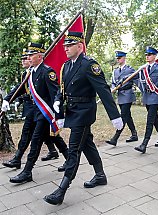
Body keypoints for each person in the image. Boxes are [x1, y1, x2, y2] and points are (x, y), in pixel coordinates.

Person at [43, 31, 123, 205]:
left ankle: (61, 190)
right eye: (65, 45)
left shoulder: (89, 65)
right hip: (73, 111)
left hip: (85, 112)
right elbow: (61, 89)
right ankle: (100, 175)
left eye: (69, 45)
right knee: (87, 143)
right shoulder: (67, 65)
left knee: (74, 149)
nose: (66, 48)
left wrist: (115, 116)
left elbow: (103, 90)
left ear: (80, 46)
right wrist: (57, 102)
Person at [2, 42, 68, 183]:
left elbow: (55, 93)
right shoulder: (31, 72)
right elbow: (20, 88)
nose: (29, 57)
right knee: (51, 138)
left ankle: (27, 172)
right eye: (29, 55)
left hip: (45, 113)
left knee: (36, 141)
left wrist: (58, 114)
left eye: (32, 55)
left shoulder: (46, 72)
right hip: (36, 112)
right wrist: (7, 99)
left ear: (40, 56)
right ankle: (70, 159)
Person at [134, 46, 158, 154]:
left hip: (155, 97)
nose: (147, 57)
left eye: (149, 55)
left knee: (150, 120)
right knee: (154, 118)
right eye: (146, 55)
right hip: (147, 97)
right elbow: (139, 81)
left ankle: (144, 144)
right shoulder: (143, 69)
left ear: (154, 56)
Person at [105, 50, 138, 146]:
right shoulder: (115, 71)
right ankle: (134, 134)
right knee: (127, 115)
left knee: (123, 116)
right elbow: (114, 83)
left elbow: (135, 76)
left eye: (119, 58)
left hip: (128, 95)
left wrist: (125, 79)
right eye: (117, 58)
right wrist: (112, 89)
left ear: (124, 58)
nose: (118, 60)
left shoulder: (129, 69)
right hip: (120, 95)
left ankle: (115, 138)